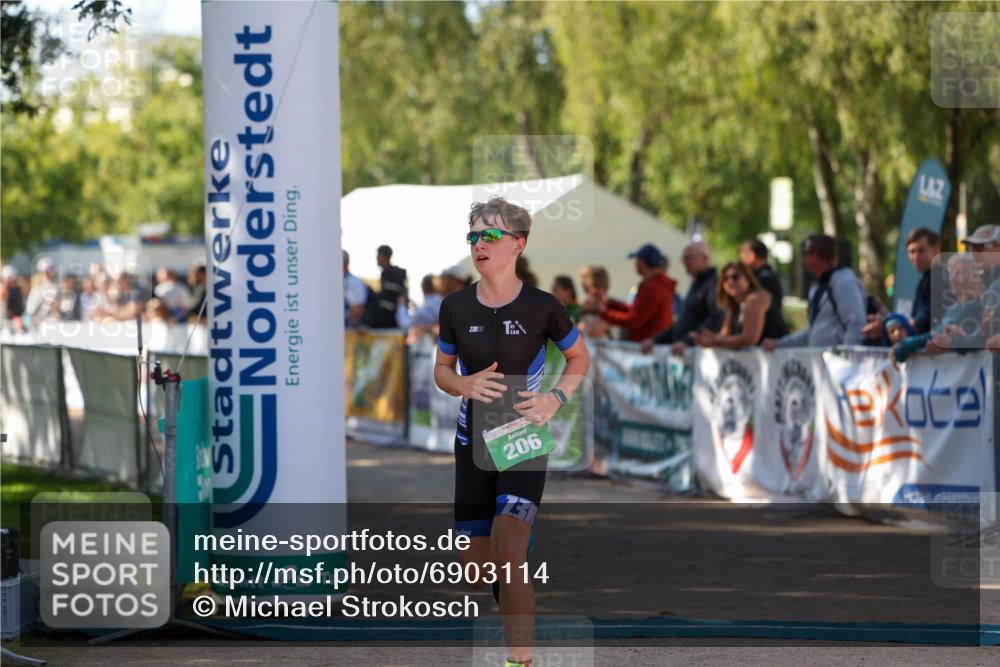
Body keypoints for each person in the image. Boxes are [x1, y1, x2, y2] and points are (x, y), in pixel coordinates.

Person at [434, 196, 589, 667]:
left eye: (490, 235)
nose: (479, 244)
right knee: (477, 574)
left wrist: (554, 398)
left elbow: (579, 357)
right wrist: (463, 384)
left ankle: (518, 660)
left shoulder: (544, 307)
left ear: (518, 244)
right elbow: (442, 370)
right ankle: (508, 548)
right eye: (473, 236)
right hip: (472, 445)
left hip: (523, 440)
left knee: (510, 550)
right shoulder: (455, 306)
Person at [762, 234, 867, 350]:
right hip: (822, 358)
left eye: (807, 253)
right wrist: (779, 344)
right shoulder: (819, 286)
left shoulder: (844, 282)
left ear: (818, 255)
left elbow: (856, 324)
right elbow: (813, 331)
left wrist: (846, 356)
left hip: (837, 360)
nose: (805, 258)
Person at [891, 254, 985, 363]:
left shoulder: (976, 306)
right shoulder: (954, 306)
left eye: (959, 272)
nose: (953, 277)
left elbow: (939, 336)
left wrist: (905, 346)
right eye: (951, 273)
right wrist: (906, 344)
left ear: (973, 276)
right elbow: (936, 334)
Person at [862, 227, 945, 341]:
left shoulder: (940, 278)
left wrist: (887, 325)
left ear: (936, 250)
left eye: (921, 250)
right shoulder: (928, 278)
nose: (916, 257)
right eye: (912, 251)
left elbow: (921, 323)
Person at [642, 241, 724, 354]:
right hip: (684, 354)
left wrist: (688, 342)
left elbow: (716, 319)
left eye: (689, 258)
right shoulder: (697, 284)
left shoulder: (713, 284)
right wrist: (655, 340)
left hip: (698, 356)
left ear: (705, 258)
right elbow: (683, 323)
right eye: (684, 258)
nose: (685, 262)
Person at [586, 244, 675, 342]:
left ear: (642, 263)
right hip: (650, 343)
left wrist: (601, 312)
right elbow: (636, 310)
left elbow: (633, 320)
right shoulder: (657, 284)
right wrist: (609, 302)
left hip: (648, 345)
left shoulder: (654, 287)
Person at [690, 261, 784, 350]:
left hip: (779, 358)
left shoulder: (755, 299)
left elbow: (749, 339)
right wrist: (707, 338)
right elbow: (725, 335)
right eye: (725, 279)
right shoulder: (733, 305)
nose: (730, 282)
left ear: (748, 278)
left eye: (735, 277)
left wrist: (716, 340)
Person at [739, 239, 788, 338]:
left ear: (751, 255)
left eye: (743, 254)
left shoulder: (762, 279)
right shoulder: (769, 275)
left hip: (767, 338)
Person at [963, 224, 1000, 340]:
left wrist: (952, 341)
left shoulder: (996, 285)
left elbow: (984, 336)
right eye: (972, 248)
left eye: (980, 248)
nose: (974, 253)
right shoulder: (989, 283)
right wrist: (960, 334)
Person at [579, 266, 612, 339]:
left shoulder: (605, 304)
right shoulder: (588, 302)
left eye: (585, 278)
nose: (582, 283)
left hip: (604, 344)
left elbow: (596, 333)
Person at [343, 250, 368, 328]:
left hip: (347, 330)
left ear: (346, 263)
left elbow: (359, 310)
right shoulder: (333, 282)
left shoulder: (354, 282)